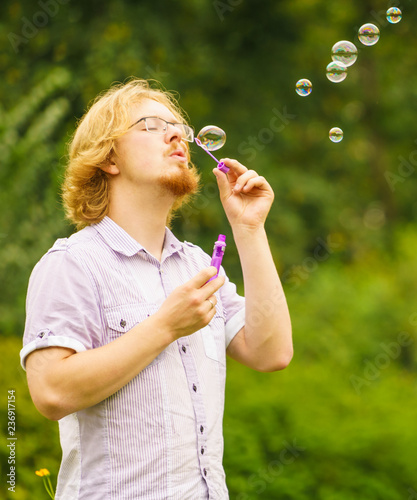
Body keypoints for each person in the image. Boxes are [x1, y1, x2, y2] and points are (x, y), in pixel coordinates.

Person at [20, 78, 293, 500]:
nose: (176, 135)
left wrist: (249, 228)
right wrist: (164, 326)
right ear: (109, 158)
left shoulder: (199, 266)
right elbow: (51, 391)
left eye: (180, 129)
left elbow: (271, 351)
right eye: (150, 125)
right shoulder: (72, 264)